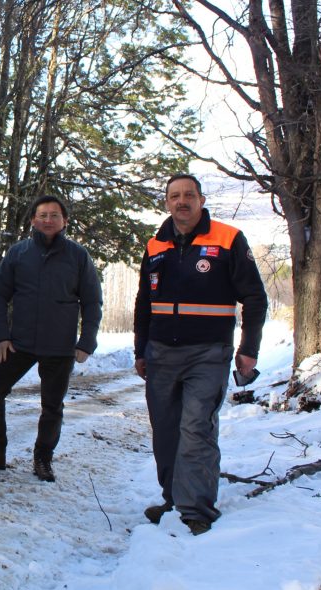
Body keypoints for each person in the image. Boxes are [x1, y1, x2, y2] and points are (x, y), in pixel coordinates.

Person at [134, 174, 267, 535]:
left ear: (201, 199)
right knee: (165, 430)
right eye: (174, 196)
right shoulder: (155, 245)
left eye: (189, 195)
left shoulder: (228, 239)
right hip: (161, 354)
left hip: (208, 353)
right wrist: (140, 349)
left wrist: (249, 349)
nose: (182, 201)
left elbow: (254, 297)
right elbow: (144, 302)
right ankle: (174, 499)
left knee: (196, 427)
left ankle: (196, 511)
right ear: (166, 203)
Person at [0, 195, 102, 482]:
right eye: (42, 215)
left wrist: (86, 341)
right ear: (33, 221)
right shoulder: (18, 253)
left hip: (60, 347)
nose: (48, 220)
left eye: (54, 215)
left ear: (64, 221)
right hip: (20, 343)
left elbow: (92, 302)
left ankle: (43, 459)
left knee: (52, 406)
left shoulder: (78, 256)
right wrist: (1, 336)